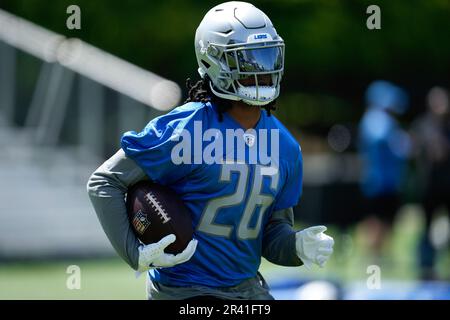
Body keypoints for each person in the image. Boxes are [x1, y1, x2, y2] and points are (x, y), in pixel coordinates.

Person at [87, 1, 334, 300]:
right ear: (215, 62)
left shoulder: (285, 146)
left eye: (267, 56)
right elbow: (105, 181)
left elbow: (272, 234)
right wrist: (133, 251)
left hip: (247, 289)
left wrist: (294, 246)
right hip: (184, 290)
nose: (263, 70)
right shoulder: (185, 129)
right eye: (248, 60)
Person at [357, 80, 410, 260]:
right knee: (376, 221)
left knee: (387, 222)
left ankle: (379, 258)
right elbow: (384, 140)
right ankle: (373, 260)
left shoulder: (386, 121)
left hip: (389, 182)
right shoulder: (376, 119)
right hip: (377, 182)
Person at [410, 86, 450, 279]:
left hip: (447, 185)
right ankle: (426, 266)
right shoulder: (422, 125)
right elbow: (414, 151)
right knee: (426, 228)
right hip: (428, 186)